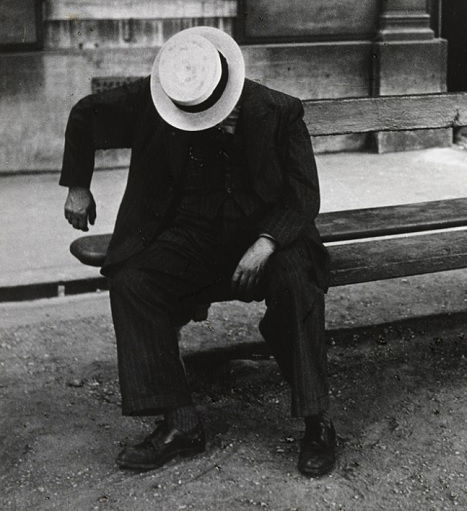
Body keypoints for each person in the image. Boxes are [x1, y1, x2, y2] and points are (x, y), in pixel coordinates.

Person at [60, 27, 335, 477]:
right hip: (192, 238)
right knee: (134, 282)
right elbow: (87, 112)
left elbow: (303, 197)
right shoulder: (162, 98)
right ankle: (180, 424)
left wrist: (266, 242)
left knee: (297, 284)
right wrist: (78, 185)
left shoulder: (279, 111)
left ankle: (317, 422)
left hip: (265, 240)